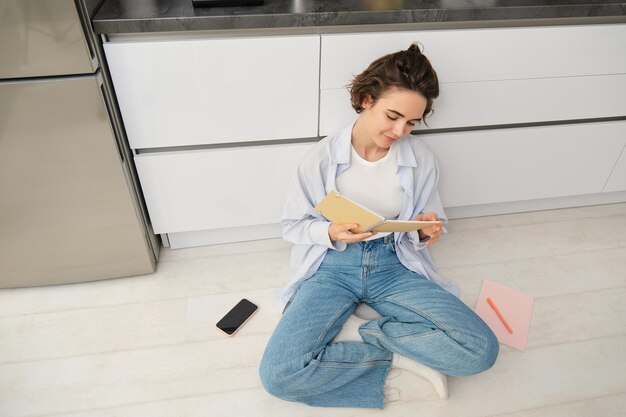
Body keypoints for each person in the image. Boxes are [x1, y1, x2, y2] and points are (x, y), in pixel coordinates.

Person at [259, 44, 499, 409]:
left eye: (412, 122)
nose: (401, 130)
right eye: (393, 116)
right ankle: (396, 354)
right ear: (366, 99)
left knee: (480, 351)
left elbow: (428, 218)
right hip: (332, 267)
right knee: (279, 375)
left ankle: (370, 333)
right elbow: (293, 225)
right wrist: (330, 232)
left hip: (392, 265)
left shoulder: (421, 159)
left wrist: (427, 230)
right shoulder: (320, 159)